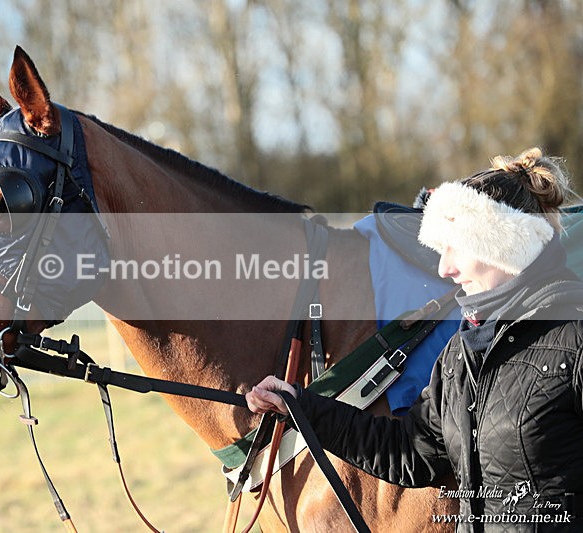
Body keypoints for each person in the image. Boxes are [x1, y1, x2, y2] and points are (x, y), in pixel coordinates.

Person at [246, 147, 583, 531]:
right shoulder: (462, 353)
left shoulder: (574, 339)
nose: (445, 267)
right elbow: (411, 452)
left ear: (504, 246)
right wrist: (301, 407)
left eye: (456, 247)